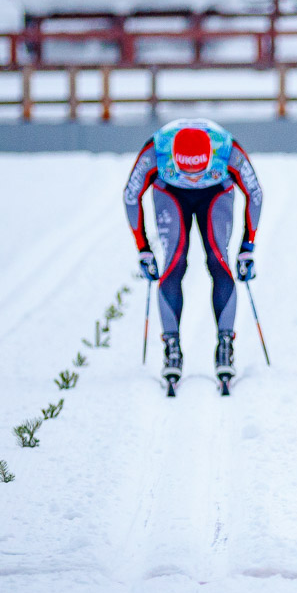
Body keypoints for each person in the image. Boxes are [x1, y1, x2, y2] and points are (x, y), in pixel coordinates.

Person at [123, 118, 263, 391]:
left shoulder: (227, 150)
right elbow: (131, 195)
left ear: (210, 155)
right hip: (170, 193)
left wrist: (247, 248)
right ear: (172, 157)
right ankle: (172, 347)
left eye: (198, 171)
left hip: (216, 192)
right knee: (173, 263)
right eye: (186, 171)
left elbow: (254, 193)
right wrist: (143, 249)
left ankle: (225, 344)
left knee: (218, 260)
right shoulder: (155, 151)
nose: (193, 179)